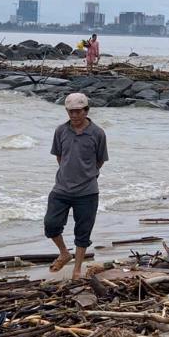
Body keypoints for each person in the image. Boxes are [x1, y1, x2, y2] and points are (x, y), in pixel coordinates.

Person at [45, 92, 108, 279]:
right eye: (70, 111)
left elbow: (100, 160)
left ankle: (77, 269)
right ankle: (64, 253)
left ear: (86, 111)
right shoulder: (61, 131)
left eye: (78, 111)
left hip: (87, 191)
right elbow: (59, 156)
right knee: (51, 225)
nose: (74, 115)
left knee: (83, 232)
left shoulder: (98, 133)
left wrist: (87, 174)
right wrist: (68, 173)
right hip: (61, 188)